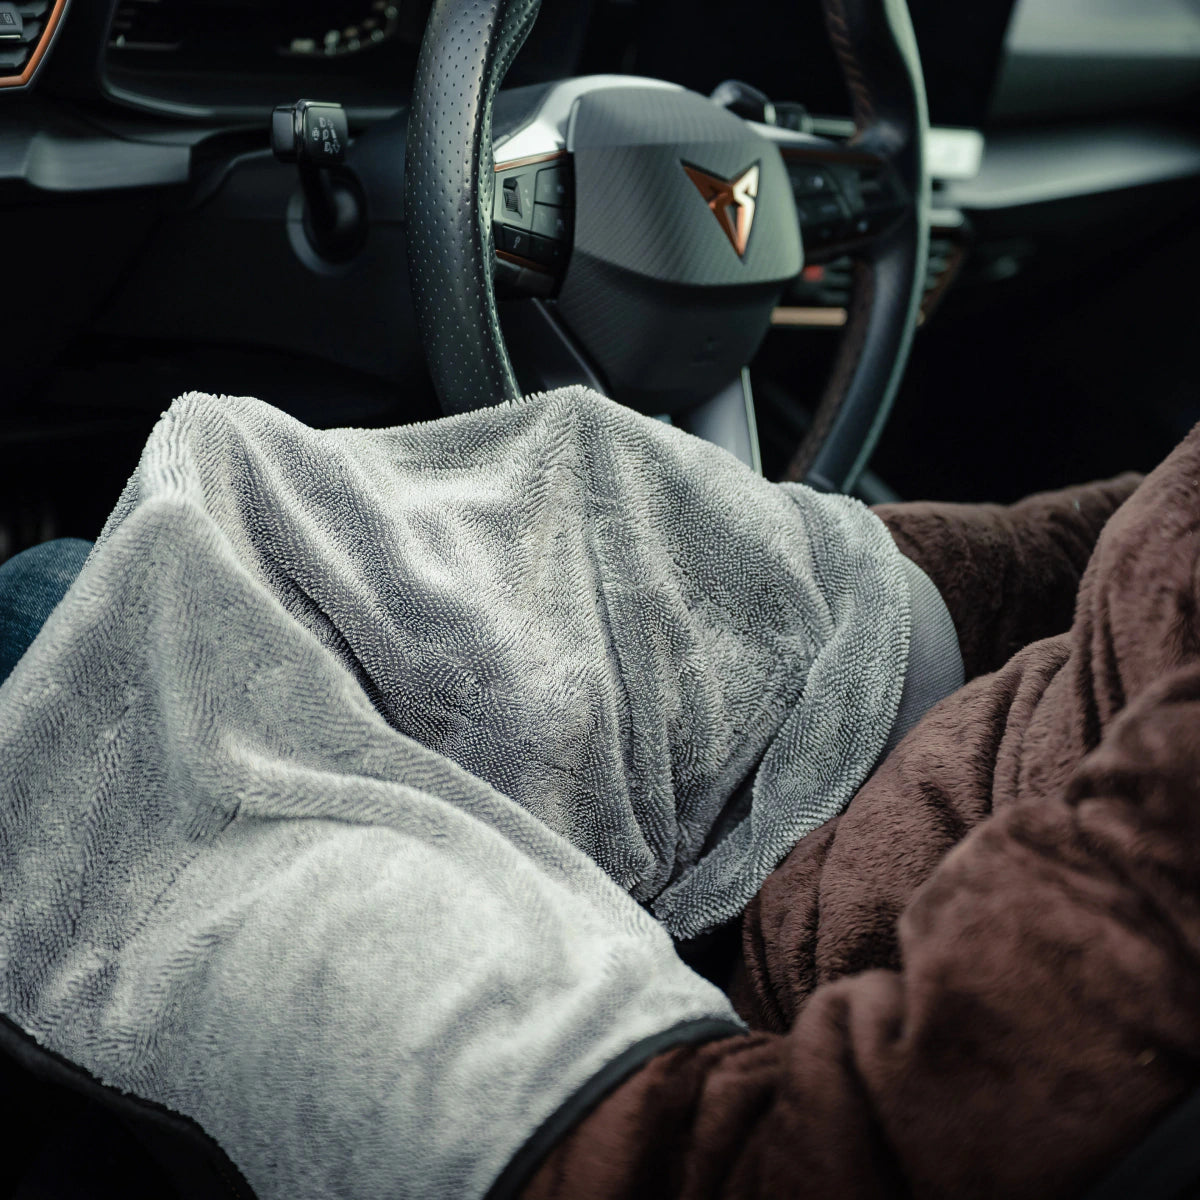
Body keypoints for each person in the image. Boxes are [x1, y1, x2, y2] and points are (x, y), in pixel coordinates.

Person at [1, 387, 1198, 1198]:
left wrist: (629, 1126)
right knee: (189, 568)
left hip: (766, 1036)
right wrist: (872, 566)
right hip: (909, 768)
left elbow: (854, 1150)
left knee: (57, 639)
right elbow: (1144, 544)